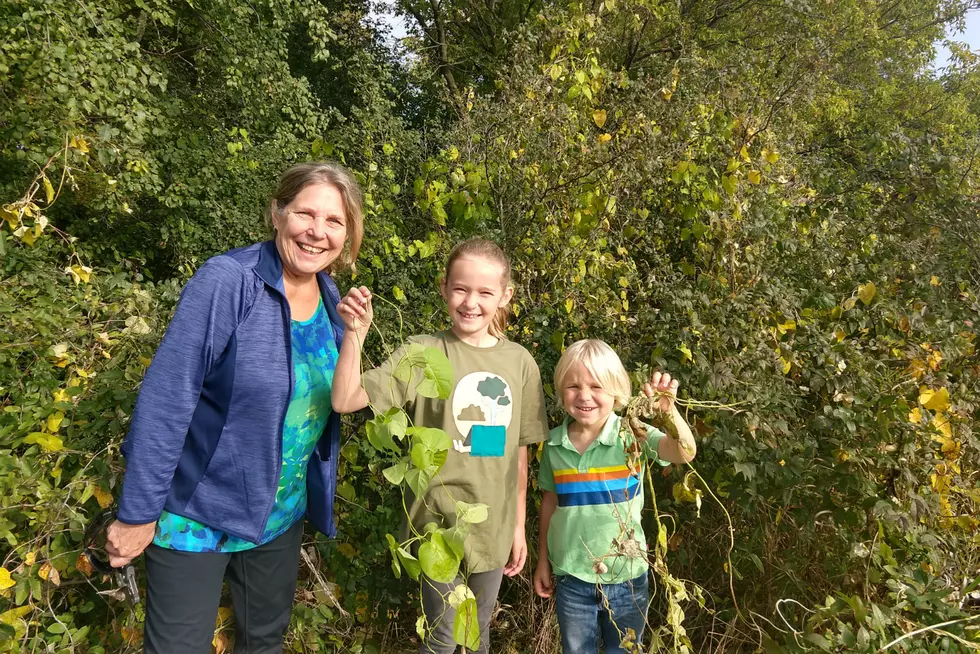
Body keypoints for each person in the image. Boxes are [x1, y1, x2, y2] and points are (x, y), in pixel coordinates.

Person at [104, 161, 364, 653]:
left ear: (347, 234)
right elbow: (166, 398)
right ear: (277, 213)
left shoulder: (331, 298)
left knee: (263, 644)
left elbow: (336, 400)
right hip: (198, 515)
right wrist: (137, 513)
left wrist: (358, 338)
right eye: (305, 214)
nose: (317, 232)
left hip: (279, 519)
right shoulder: (229, 281)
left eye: (334, 222)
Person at [331, 238, 549, 654]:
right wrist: (355, 334)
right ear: (445, 288)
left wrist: (519, 528)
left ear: (505, 295)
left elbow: (519, 453)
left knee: (478, 634)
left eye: (485, 292)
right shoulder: (424, 351)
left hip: (493, 529)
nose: (471, 302)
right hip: (435, 528)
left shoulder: (520, 362)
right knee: (443, 639)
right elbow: (345, 399)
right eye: (461, 289)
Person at [533, 339, 697, 654]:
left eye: (596, 386)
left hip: (627, 579)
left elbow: (685, 452)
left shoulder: (632, 435)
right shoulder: (552, 445)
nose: (584, 395)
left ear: (617, 392)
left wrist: (669, 412)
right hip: (572, 577)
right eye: (573, 386)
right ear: (560, 390)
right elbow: (550, 503)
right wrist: (543, 561)